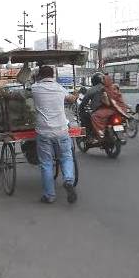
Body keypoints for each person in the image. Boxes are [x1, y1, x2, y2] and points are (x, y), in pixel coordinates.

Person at [31, 65, 79, 204]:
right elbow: (71, 99)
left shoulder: (35, 88)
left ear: (40, 76)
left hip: (43, 131)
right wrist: (75, 94)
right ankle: (68, 180)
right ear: (52, 76)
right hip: (61, 130)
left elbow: (19, 95)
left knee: (46, 163)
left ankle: (49, 196)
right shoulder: (60, 88)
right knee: (66, 157)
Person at [90, 74, 128, 139]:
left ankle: (101, 132)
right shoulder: (114, 88)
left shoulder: (104, 89)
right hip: (120, 109)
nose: (102, 81)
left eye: (103, 79)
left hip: (113, 109)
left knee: (94, 116)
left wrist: (102, 101)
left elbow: (108, 103)